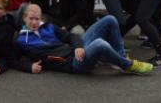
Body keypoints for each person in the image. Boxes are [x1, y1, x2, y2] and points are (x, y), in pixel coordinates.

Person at [10, 4, 153, 75]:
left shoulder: (48, 26)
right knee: (100, 44)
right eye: (31, 19)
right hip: (72, 63)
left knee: (110, 19)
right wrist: (29, 67)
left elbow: (70, 36)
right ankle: (128, 65)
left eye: (37, 19)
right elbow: (12, 59)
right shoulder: (21, 40)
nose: (34, 22)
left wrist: (78, 46)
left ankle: (119, 58)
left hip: (77, 51)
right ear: (24, 18)